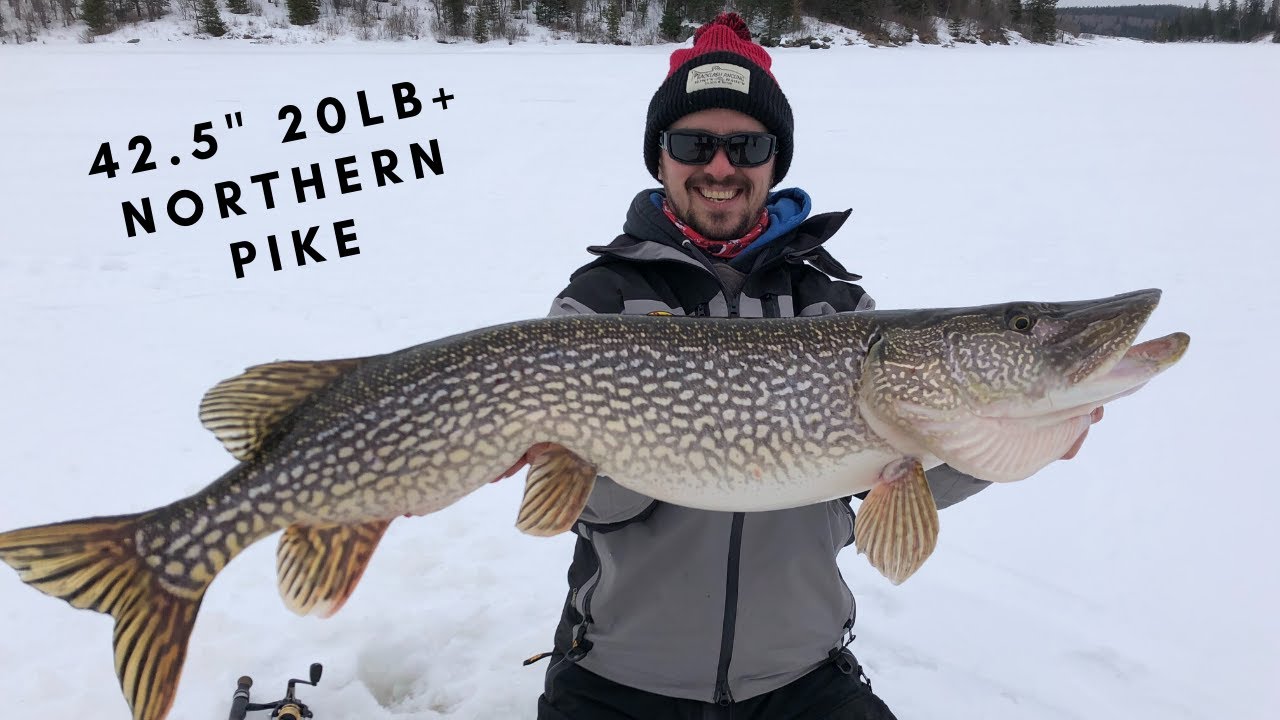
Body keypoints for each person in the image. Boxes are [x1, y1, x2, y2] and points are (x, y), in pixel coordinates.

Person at [527, 13, 1100, 719]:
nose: (719, 166)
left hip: (801, 679)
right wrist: (585, 451)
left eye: (748, 145)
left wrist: (1006, 443)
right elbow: (589, 509)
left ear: (776, 159)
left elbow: (887, 489)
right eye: (692, 142)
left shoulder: (837, 307)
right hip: (616, 678)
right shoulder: (600, 303)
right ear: (660, 156)